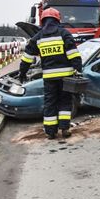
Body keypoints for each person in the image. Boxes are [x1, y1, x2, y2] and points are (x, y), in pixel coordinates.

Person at [19, 8, 83, 139]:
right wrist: (78, 69)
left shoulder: (38, 37)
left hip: (49, 78)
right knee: (65, 101)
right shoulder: (64, 34)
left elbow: (27, 58)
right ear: (57, 19)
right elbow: (74, 54)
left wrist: (22, 73)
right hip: (66, 77)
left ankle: (50, 132)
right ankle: (65, 129)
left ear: (43, 20)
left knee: (50, 103)